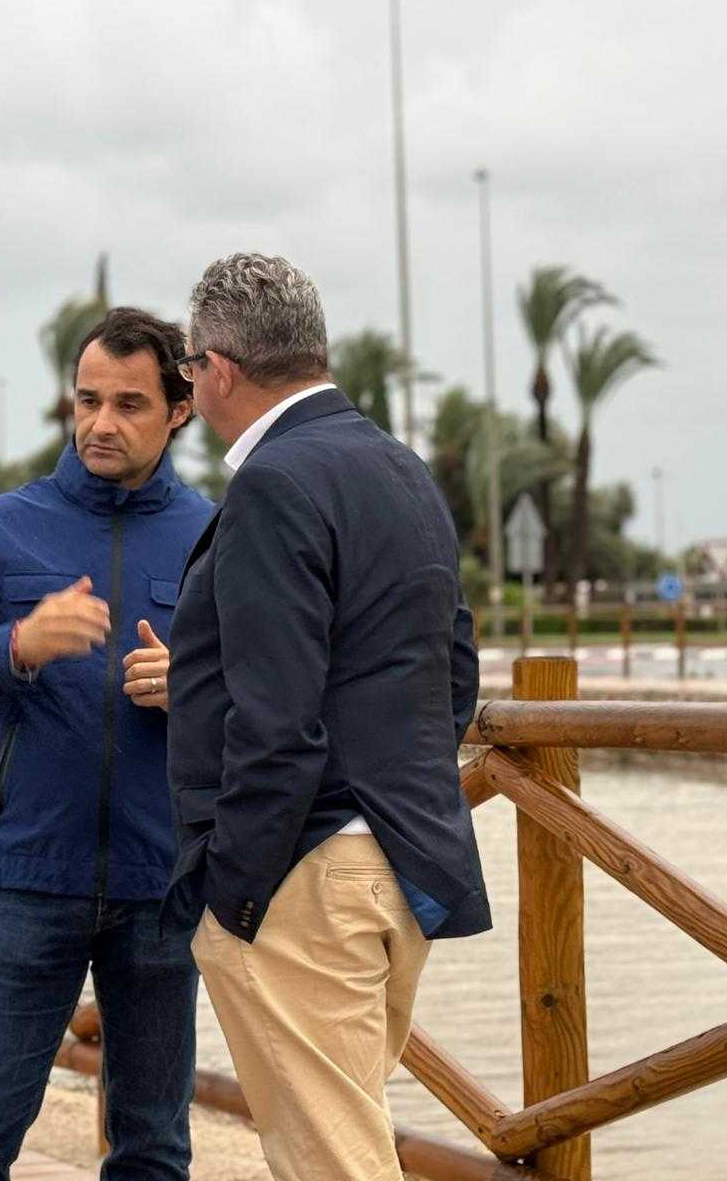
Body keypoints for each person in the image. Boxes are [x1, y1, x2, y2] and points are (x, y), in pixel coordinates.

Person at [162, 253, 490, 1181]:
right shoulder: (400, 469)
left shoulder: (275, 482)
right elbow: (454, 668)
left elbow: (276, 716)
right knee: (349, 1140)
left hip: (303, 875)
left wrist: (236, 888)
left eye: (190, 368)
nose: (193, 386)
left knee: (335, 1163)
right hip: (402, 861)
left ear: (220, 369)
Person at [0, 307, 214, 1179]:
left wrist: (195, 688)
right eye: (88, 400)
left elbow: (270, 693)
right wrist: (16, 645)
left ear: (180, 410)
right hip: (27, 879)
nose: (101, 423)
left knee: (154, 1150)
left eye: (129, 404)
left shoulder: (218, 537)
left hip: (163, 885)